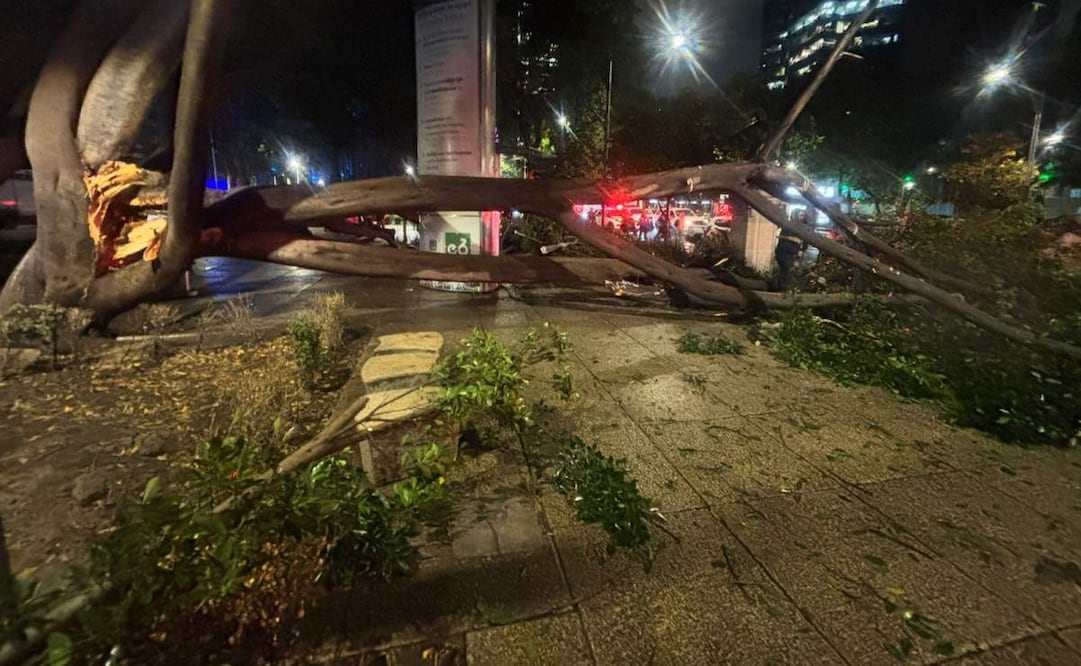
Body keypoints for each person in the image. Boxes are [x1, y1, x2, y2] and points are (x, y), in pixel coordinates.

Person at [774, 208, 810, 291]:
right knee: (786, 272)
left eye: (803, 216)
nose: (802, 217)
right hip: (785, 253)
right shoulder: (788, 226)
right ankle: (783, 290)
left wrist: (802, 250)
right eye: (800, 215)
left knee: (788, 273)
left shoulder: (803, 227)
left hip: (792, 252)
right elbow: (782, 240)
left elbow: (805, 240)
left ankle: (783, 289)